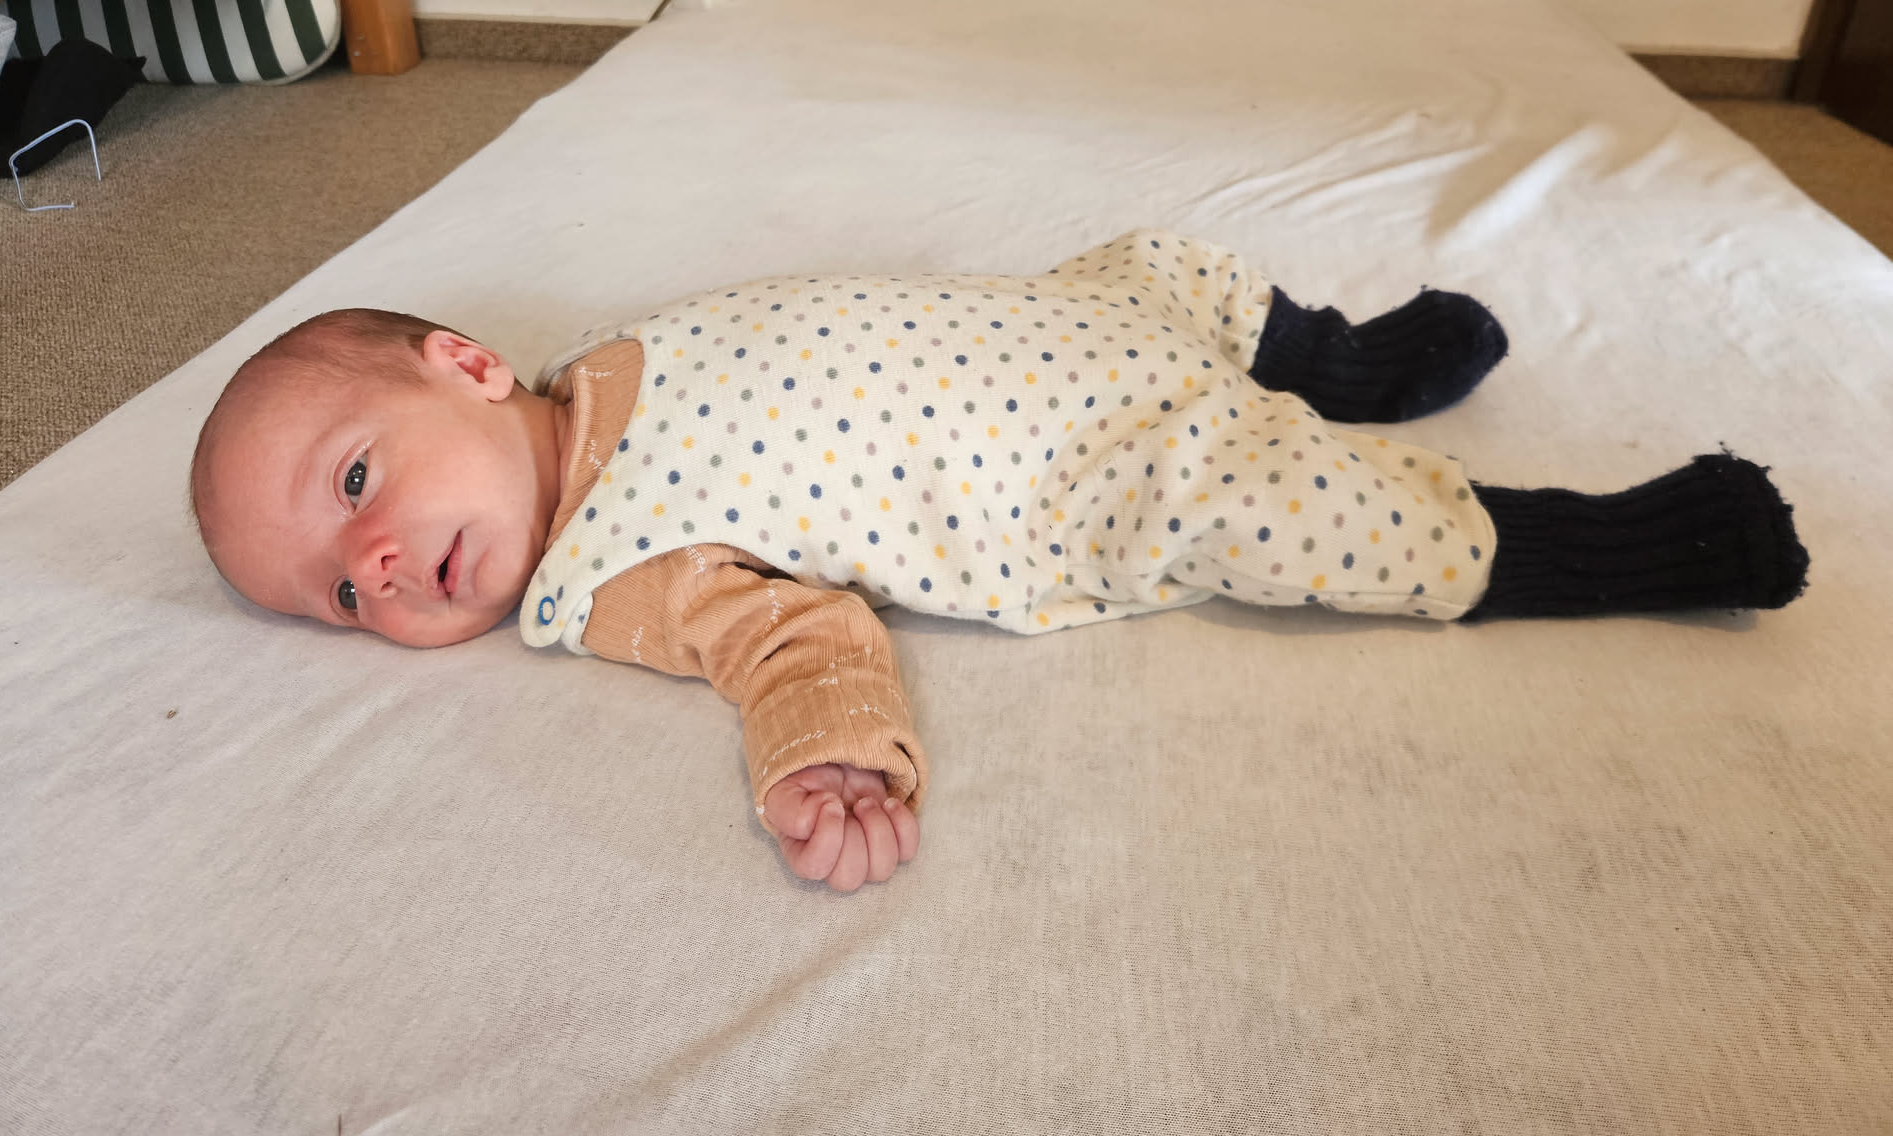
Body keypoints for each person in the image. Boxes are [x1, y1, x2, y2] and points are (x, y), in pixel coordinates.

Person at [191, 231, 1808, 891]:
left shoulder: (598, 368)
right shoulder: (613, 577)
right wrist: (830, 755)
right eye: (340, 595)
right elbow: (792, 641)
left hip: (1054, 327)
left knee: (1153, 262)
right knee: (1284, 513)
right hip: (1079, 469)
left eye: (355, 484)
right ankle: (1620, 541)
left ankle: (1340, 361)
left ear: (472, 368)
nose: (380, 565)